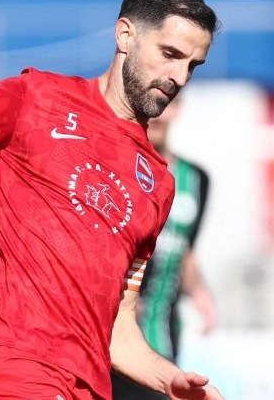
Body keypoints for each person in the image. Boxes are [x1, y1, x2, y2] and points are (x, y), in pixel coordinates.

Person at [0, 0, 225, 399]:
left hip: (85, 385)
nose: (180, 77)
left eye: (193, 65)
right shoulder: (34, 96)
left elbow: (117, 327)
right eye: (170, 54)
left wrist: (168, 380)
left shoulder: (158, 182)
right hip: (9, 364)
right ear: (125, 35)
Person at [111, 97, 217, 400]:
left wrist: (200, 292)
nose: (158, 115)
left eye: (169, 103)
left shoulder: (195, 179)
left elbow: (186, 250)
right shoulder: (113, 169)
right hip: (110, 338)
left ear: (179, 108)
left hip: (161, 337)